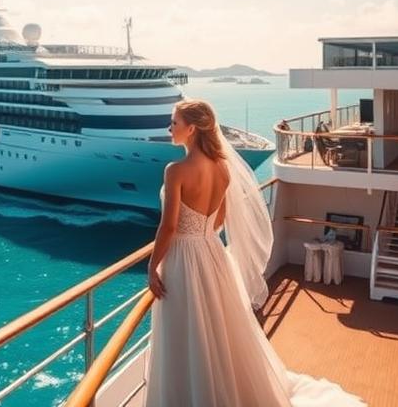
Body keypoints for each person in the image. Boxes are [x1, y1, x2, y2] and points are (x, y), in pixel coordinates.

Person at [144, 99, 364, 407]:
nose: (169, 128)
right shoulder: (221, 168)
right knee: (216, 331)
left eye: (174, 123)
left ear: (191, 128)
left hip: (184, 257)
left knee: (186, 331)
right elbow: (218, 221)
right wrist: (201, 235)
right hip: (211, 253)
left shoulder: (176, 170)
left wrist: (152, 267)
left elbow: (167, 228)